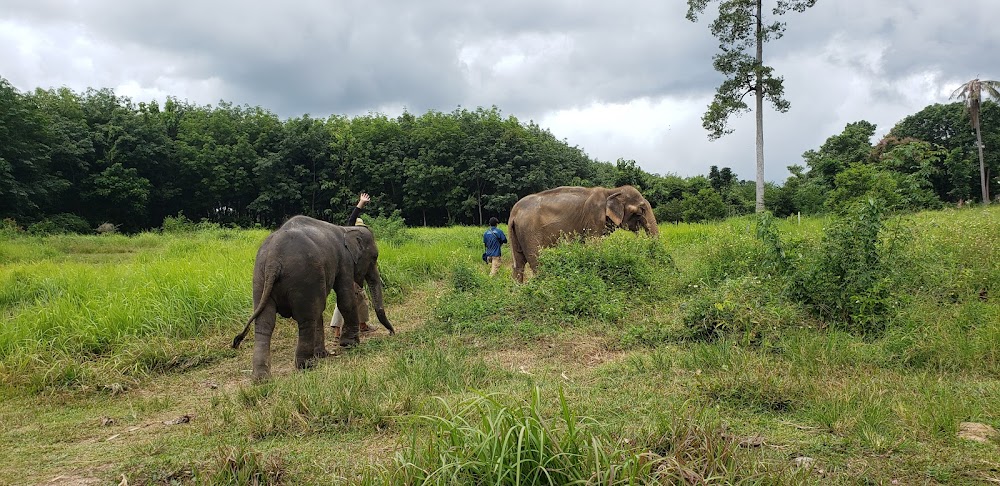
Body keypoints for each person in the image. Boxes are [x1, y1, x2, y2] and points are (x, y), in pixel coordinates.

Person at [331, 193, 374, 338]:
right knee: (344, 300)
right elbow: (351, 220)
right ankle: (337, 330)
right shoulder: (347, 238)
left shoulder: (360, 244)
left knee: (362, 298)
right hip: (346, 276)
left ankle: (363, 324)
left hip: (356, 278)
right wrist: (361, 203)